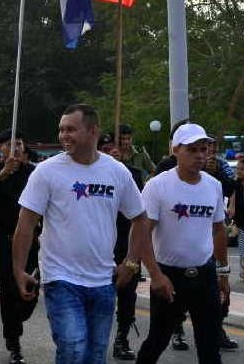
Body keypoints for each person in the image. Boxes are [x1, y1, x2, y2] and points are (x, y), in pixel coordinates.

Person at [13, 104, 150, 364]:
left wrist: (131, 264)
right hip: (60, 277)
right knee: (73, 348)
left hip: (102, 280)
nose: (64, 135)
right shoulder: (47, 171)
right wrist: (19, 270)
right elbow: (26, 223)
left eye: (71, 129)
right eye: (61, 130)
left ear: (93, 131)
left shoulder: (116, 171)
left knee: (95, 355)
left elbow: (140, 219)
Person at [135, 123, 230, 364]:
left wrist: (223, 273)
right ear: (175, 150)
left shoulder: (213, 185)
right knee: (158, 339)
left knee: (210, 344)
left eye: (204, 149)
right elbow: (142, 233)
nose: (200, 155)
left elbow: (219, 230)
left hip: (204, 274)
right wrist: (155, 275)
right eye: (192, 150)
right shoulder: (158, 185)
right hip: (170, 276)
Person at [0, 130, 37, 364]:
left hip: (30, 239)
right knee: (10, 289)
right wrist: (2, 174)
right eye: (9, 145)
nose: (15, 148)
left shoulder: (34, 173)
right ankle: (13, 341)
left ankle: (18, 318)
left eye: (19, 144)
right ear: (0, 148)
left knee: (31, 288)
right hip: (3, 239)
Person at [98, 133, 147, 361]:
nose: (112, 152)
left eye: (115, 149)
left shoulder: (132, 175)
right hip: (100, 246)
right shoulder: (93, 177)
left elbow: (139, 213)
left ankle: (122, 337)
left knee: (128, 296)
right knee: (100, 298)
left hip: (126, 245)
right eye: (106, 149)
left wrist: (133, 258)